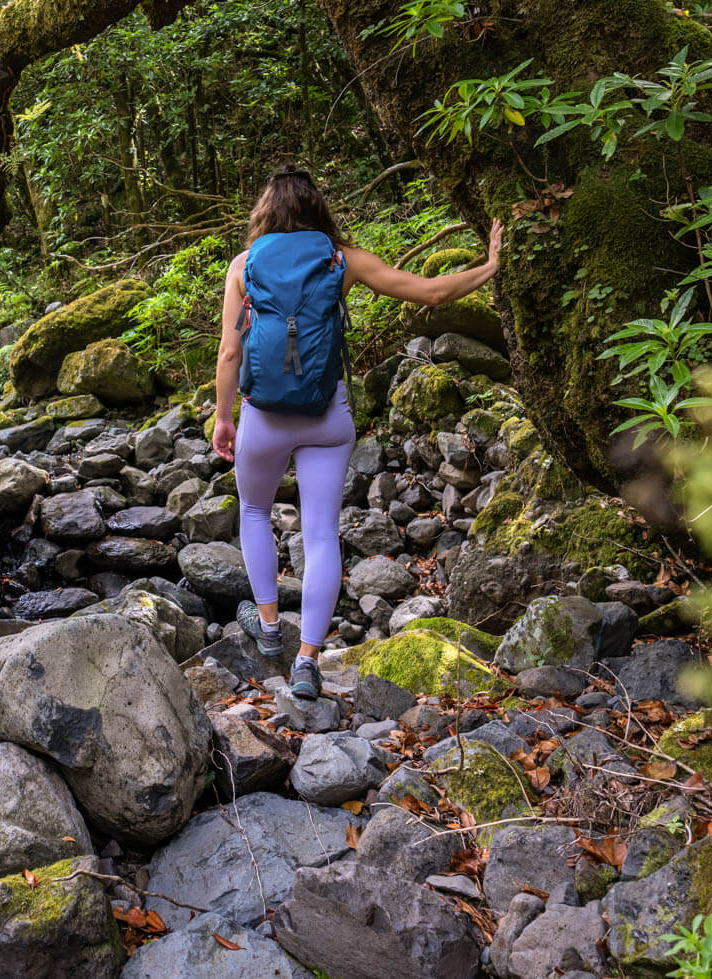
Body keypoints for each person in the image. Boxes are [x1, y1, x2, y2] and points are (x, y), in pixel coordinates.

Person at [212, 166, 503, 700]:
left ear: (265, 212)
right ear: (318, 209)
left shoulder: (244, 264)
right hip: (328, 418)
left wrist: (223, 415)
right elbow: (431, 294)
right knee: (320, 532)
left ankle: (271, 628)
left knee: (253, 511)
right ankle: (307, 663)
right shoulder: (342, 259)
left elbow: (231, 351)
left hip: (264, 418)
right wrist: (489, 265)